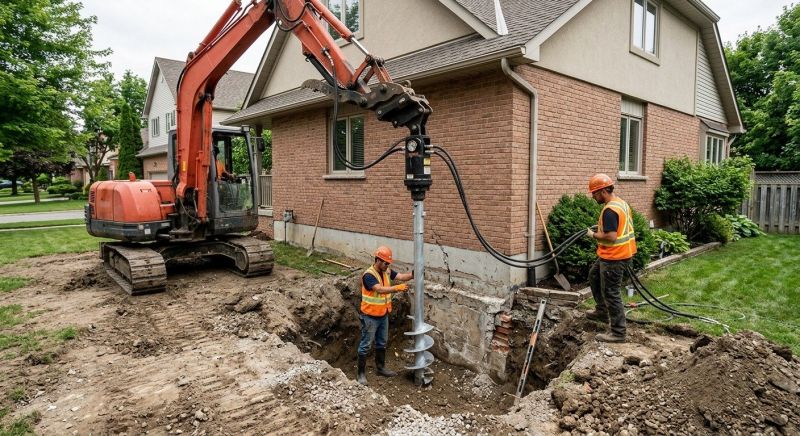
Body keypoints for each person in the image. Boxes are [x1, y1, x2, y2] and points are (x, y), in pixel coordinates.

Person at [585, 174, 637, 343]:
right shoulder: (620, 203)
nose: (593, 197)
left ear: (603, 191)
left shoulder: (609, 210)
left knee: (611, 293)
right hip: (616, 254)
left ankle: (618, 332)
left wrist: (593, 235)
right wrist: (601, 229)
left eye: (594, 193)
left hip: (614, 257)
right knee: (593, 275)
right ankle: (601, 311)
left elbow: (611, 236)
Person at [356, 246, 412, 385]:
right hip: (370, 316)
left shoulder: (386, 271)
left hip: (383, 315)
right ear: (378, 260)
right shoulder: (368, 275)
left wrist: (413, 274)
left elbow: (401, 276)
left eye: (388, 263)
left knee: (382, 342)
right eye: (386, 263)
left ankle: (380, 368)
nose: (388, 265)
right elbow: (379, 289)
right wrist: (396, 288)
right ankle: (361, 374)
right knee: (366, 345)